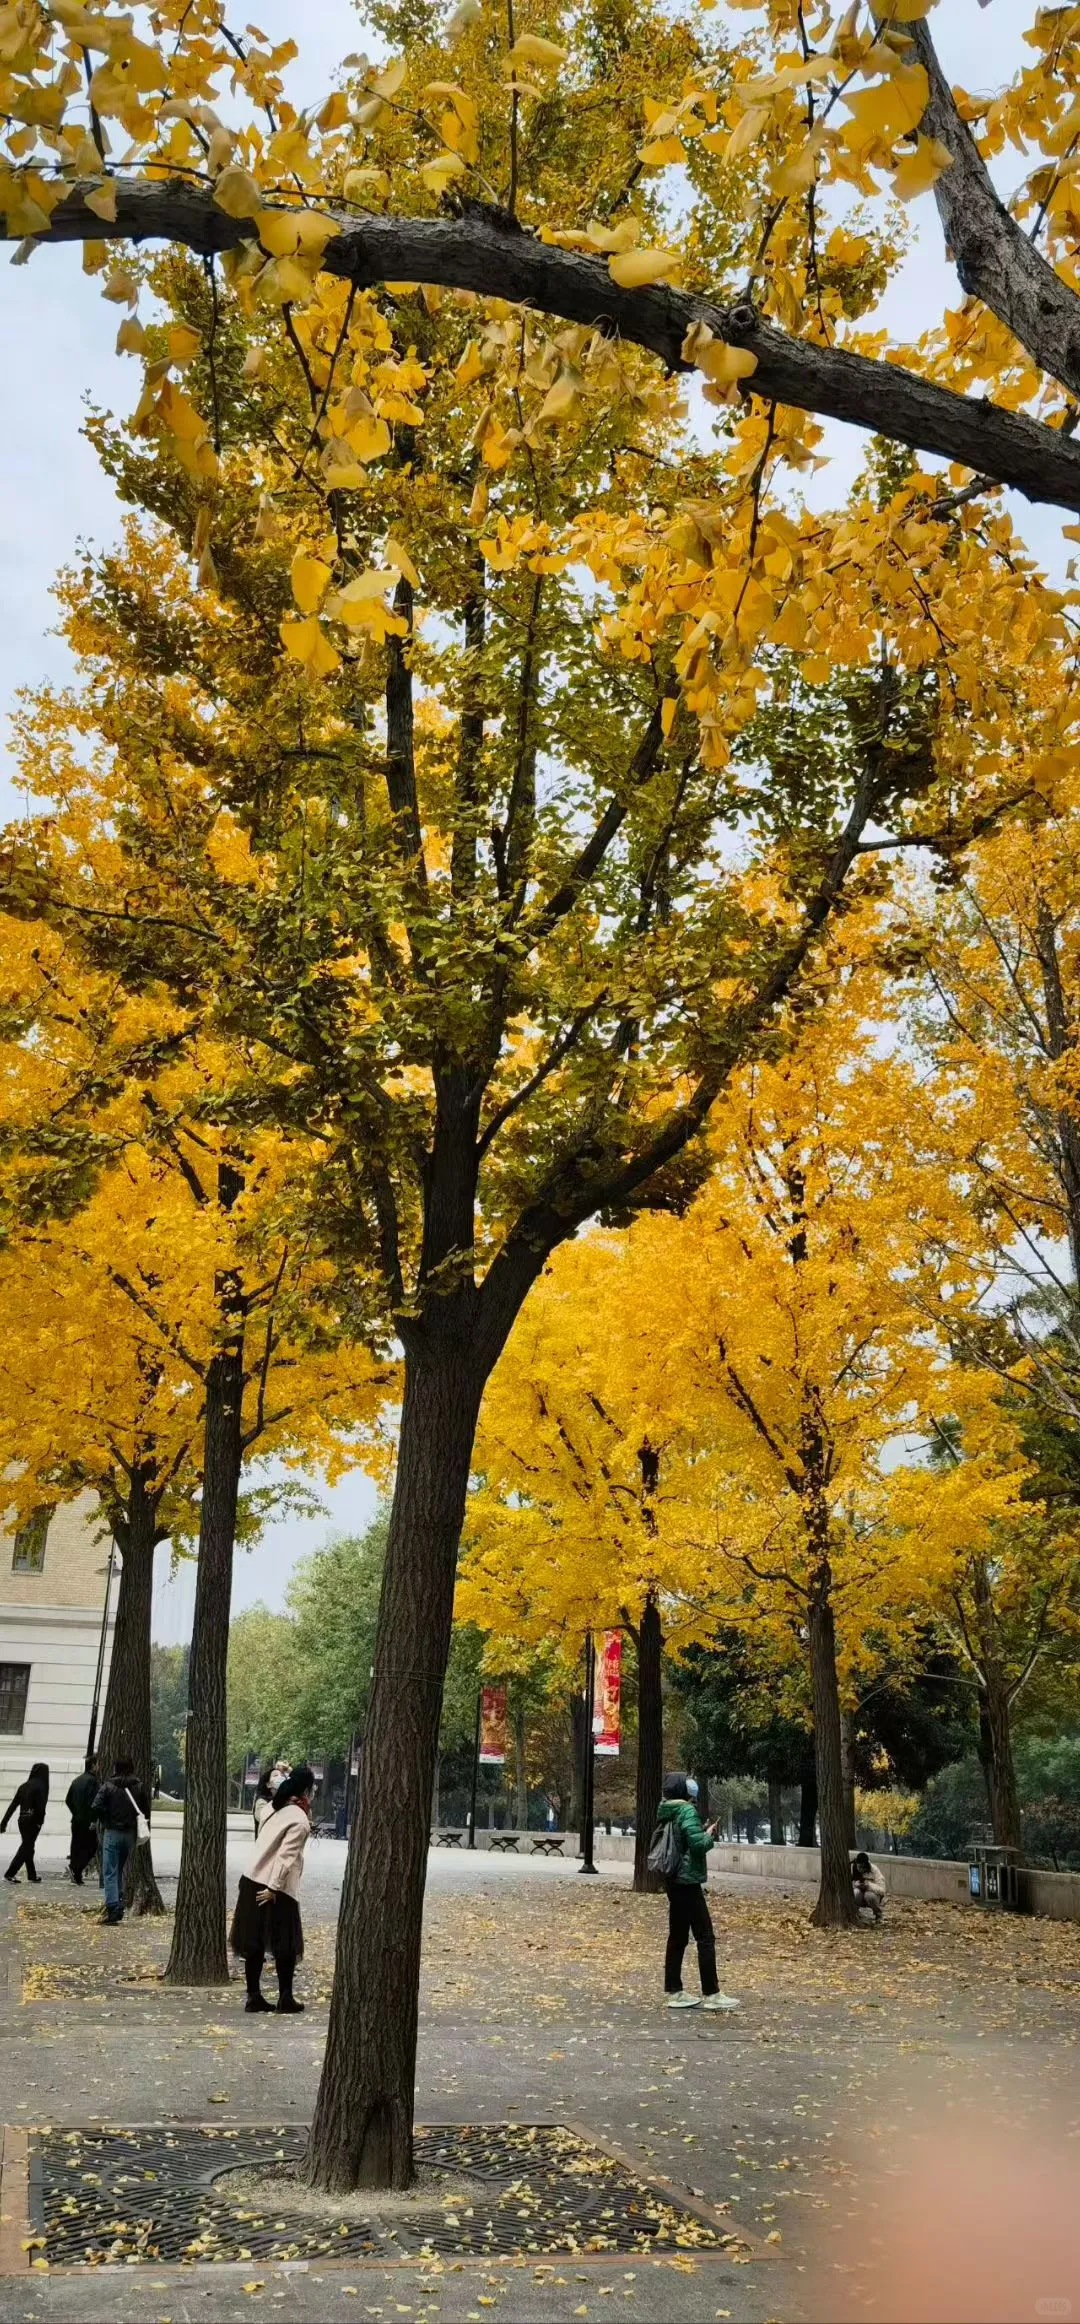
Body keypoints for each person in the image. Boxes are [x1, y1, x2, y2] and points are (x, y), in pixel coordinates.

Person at [229, 1764, 313, 2013]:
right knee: (284, 1943)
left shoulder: (270, 1809)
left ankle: (253, 1996)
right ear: (307, 1790)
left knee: (253, 1941)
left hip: (251, 1877)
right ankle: (285, 1997)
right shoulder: (299, 1819)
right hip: (276, 1888)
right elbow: (286, 1857)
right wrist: (274, 1887)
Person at [655, 1772, 740, 2013]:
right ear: (683, 1790)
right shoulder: (687, 1811)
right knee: (705, 1936)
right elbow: (697, 1845)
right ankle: (712, 1993)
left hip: (672, 1878)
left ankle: (674, 1991)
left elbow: (682, 1839)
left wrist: (697, 1832)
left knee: (678, 1936)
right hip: (687, 1879)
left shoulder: (665, 1809)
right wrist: (709, 1835)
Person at [91, 1756, 151, 1924]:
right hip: (130, 1834)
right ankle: (119, 1899)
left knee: (109, 1871)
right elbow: (145, 1810)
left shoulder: (108, 1785)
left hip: (112, 1831)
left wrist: (106, 1819)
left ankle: (113, 1907)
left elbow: (96, 1806)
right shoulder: (138, 1786)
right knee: (119, 1868)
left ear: (116, 1768)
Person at [2, 1763, 49, 1884]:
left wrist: (4, 1822)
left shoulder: (24, 1786)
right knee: (26, 1847)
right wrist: (40, 1822)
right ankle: (10, 1873)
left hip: (22, 1820)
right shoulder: (41, 1786)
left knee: (28, 1846)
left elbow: (13, 1805)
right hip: (33, 1821)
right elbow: (40, 1807)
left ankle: (31, 1874)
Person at [65, 1755, 99, 1884]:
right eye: (98, 1764)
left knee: (76, 1846)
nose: (99, 1767)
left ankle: (77, 1876)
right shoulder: (93, 1781)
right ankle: (75, 1869)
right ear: (93, 1765)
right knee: (91, 1847)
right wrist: (93, 1819)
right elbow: (94, 1802)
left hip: (76, 1820)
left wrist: (76, 1812)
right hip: (87, 1821)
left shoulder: (77, 1780)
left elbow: (68, 1800)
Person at [852, 1850, 886, 1923]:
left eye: (863, 1867)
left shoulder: (874, 1870)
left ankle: (878, 1914)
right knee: (855, 1893)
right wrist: (857, 1884)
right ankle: (855, 1912)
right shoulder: (853, 1868)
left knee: (869, 1896)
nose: (861, 1869)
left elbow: (882, 1890)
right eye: (859, 1867)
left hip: (872, 1894)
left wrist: (869, 1885)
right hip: (859, 1893)